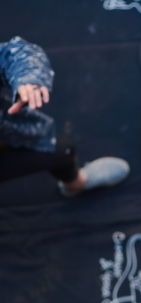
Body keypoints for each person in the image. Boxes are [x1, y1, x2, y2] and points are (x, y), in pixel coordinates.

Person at [0, 36, 129, 194]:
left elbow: (12, 53)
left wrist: (28, 77)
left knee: (61, 151)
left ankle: (75, 184)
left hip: (11, 130)